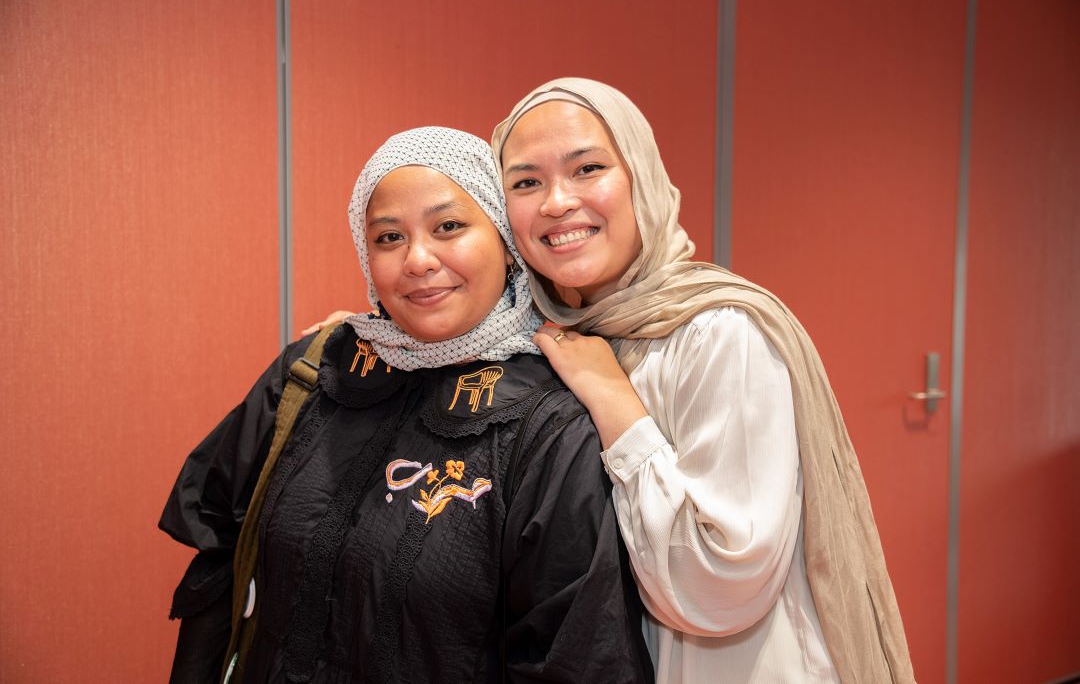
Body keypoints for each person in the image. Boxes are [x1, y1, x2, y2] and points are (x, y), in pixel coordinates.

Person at [308, 80, 916, 684]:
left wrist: (615, 403)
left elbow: (722, 590)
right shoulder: (566, 334)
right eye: (525, 182)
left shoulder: (718, 333)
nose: (556, 202)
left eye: (588, 168)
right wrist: (382, 338)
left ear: (641, 177)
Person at [160, 126, 654, 684]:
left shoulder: (548, 422)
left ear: (505, 241)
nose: (418, 260)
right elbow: (215, 568)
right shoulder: (316, 369)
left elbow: (575, 657)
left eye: (449, 227)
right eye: (389, 238)